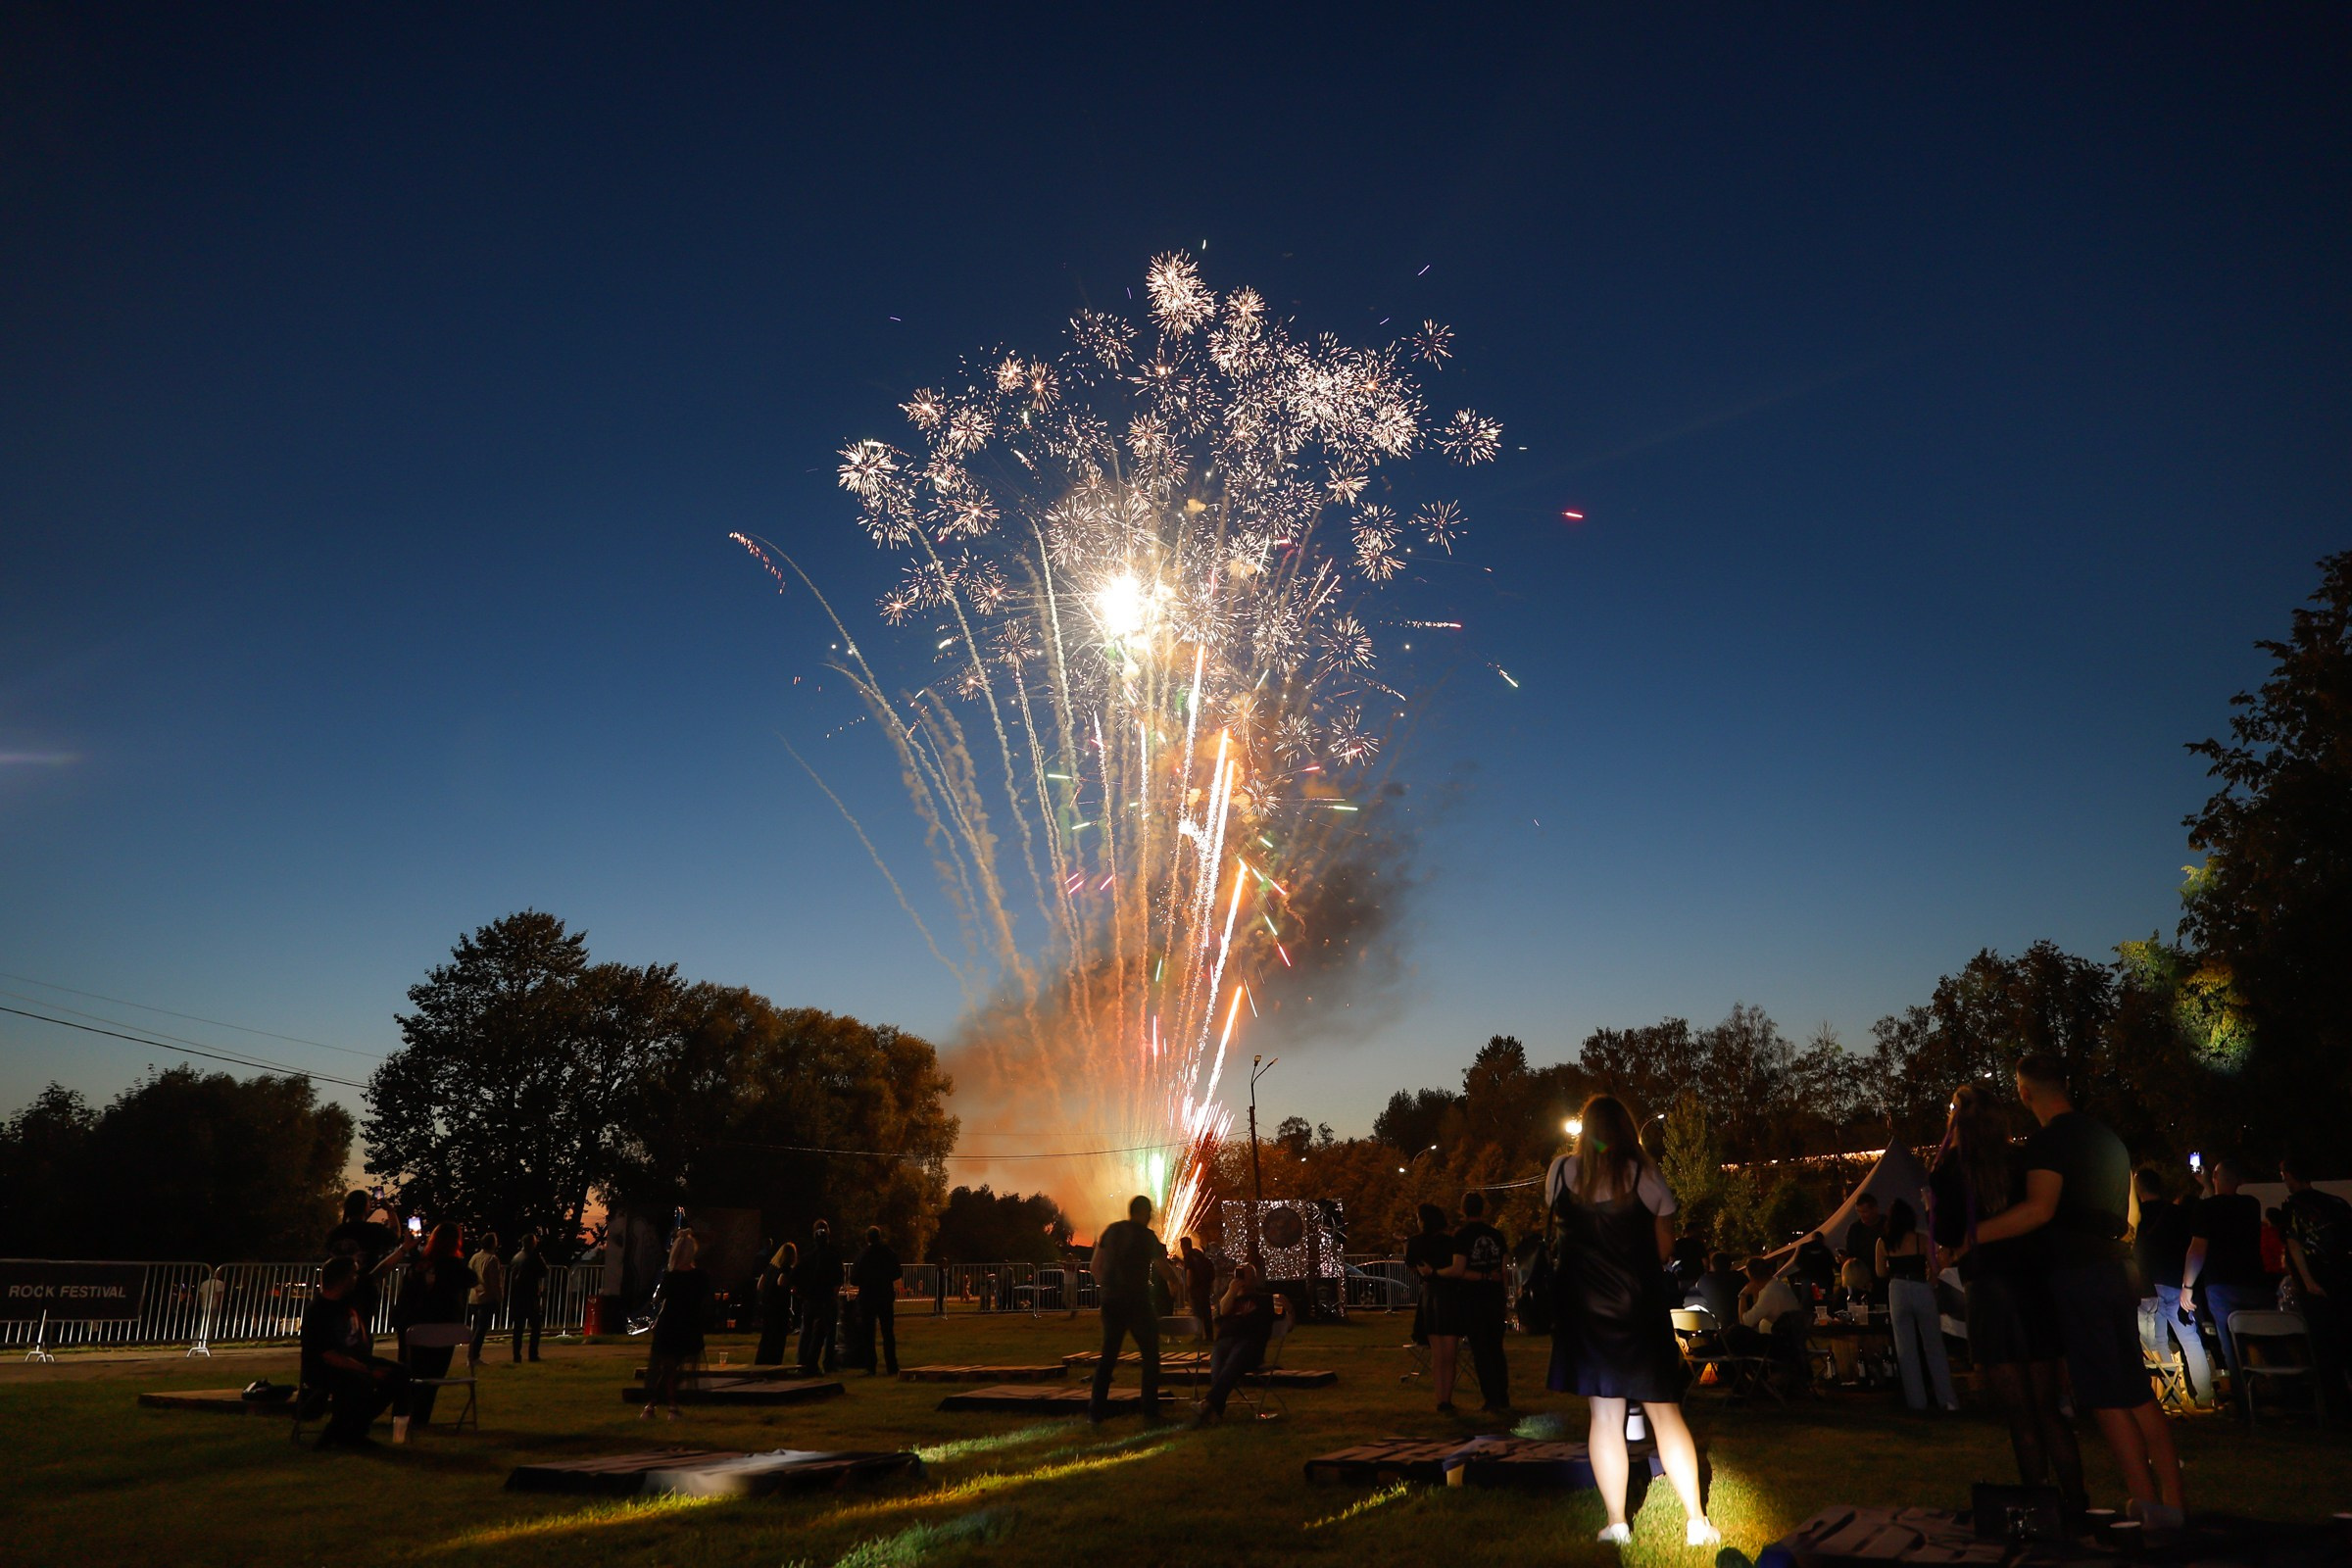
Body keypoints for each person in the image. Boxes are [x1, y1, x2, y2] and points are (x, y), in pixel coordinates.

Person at [1970, 1055, 2181, 1528]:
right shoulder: (2107, 1138)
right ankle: (2165, 1502)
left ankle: (2152, 1504)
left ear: (2024, 1093)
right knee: (2129, 1387)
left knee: (2108, 1394)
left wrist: (1972, 1235)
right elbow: (2133, 1219)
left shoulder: (2048, 1142)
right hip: (2119, 1270)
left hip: (2082, 1277)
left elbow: (2037, 1211)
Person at [1545, 1094, 1719, 1550]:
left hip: (1584, 1310)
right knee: (1665, 1411)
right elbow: (1664, 1251)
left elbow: (1561, 1226)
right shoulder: (1646, 1175)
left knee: (1604, 1415)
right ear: (1628, 1129)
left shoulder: (1561, 1172)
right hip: (1637, 1308)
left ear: (1585, 1129)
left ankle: (1617, 1522)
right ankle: (1697, 1522)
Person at [1931, 1083, 2084, 1510]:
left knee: (2020, 1415)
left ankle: (2040, 1505)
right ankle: (2076, 1503)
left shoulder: (1948, 1172)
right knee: (2048, 1408)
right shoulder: (2023, 1161)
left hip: (1989, 1293)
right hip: (2033, 1288)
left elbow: (1946, 1235)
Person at [1087, 1194, 1183, 1425]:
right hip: (1137, 1301)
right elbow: (1162, 1267)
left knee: (1108, 1355)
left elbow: (1094, 1266)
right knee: (1150, 1354)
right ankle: (1149, 1411)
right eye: (1149, 1213)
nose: (1150, 1218)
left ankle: (1095, 1412)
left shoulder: (1110, 1231)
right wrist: (1174, 1281)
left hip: (1111, 1301)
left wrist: (1108, 1288)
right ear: (1144, 1212)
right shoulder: (1147, 1237)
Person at [301, 1255, 411, 1448]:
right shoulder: (318, 1311)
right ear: (343, 1279)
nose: (356, 1278)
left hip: (355, 1359)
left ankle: (351, 1429)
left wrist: (403, 1250)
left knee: (400, 1374)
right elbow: (329, 1355)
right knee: (357, 1383)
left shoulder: (348, 1298)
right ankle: (342, 1432)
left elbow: (377, 1275)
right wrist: (368, 1370)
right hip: (325, 1367)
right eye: (353, 1274)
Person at [2181, 1156, 2267, 1389]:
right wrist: (2209, 1186)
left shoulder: (2205, 1208)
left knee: (2230, 1343)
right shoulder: (2251, 1204)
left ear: (2216, 1177)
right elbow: (2224, 1206)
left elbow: (2197, 1248)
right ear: (2239, 1181)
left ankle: (2243, 1398)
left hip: (2221, 1283)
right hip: (2254, 1281)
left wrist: (2187, 1287)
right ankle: (2270, 1392)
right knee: (2259, 1339)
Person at [2277, 1154, 2352, 1415]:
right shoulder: (2337, 1204)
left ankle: (2334, 1407)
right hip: (2342, 1281)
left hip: (2315, 1284)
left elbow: (2294, 1244)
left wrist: (2306, 1281)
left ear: (2290, 1175)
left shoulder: (2293, 1206)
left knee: (2324, 1347)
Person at [2132, 1166, 2213, 1408]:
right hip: (2178, 1284)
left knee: (2157, 1342)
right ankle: (2205, 1396)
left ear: (2139, 1189)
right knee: (2191, 1341)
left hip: (2149, 1287)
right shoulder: (2177, 1213)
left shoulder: (2137, 1216)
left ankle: (2173, 1395)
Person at [1877, 1199, 1957, 1412]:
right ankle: (1947, 1400)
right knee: (1934, 1345)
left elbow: (1880, 1273)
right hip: (1920, 1286)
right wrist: (1931, 1281)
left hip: (1897, 1288)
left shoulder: (1883, 1242)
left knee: (1906, 1348)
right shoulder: (1921, 1239)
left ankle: (1916, 1401)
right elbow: (1935, 1267)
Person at [390, 1222, 471, 1425]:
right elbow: (472, 1279)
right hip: (445, 1327)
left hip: (412, 1325)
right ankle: (421, 1416)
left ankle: (401, 1415)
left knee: (408, 1372)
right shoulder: (455, 1268)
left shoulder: (419, 1265)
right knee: (434, 1374)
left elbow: (406, 1296)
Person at [1444, 1191, 1512, 1413]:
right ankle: (1503, 1396)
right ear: (1483, 1209)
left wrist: (1479, 1276)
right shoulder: (1497, 1235)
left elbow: (1460, 1269)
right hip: (1494, 1299)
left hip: (1473, 1300)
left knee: (1481, 1351)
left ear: (1463, 1210)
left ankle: (1491, 1399)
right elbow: (1503, 1271)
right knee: (1496, 1349)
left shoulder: (1462, 1236)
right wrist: (1505, 1299)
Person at [1195, 1261, 1279, 1422]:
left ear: (1254, 1279)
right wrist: (1232, 1291)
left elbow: (1284, 1323)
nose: (1240, 1277)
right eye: (1238, 1274)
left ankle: (1209, 1403)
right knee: (1219, 1360)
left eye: (1244, 1274)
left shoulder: (1264, 1300)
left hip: (1249, 1344)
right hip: (1225, 1341)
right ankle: (1214, 1410)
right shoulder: (1229, 1299)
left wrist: (1288, 1309)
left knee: (1234, 1358)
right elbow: (1222, 1311)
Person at [642, 1230, 708, 1420]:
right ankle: (667, 1406)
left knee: (667, 1368)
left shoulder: (671, 1277)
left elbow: (662, 1299)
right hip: (687, 1325)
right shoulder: (699, 1277)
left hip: (670, 1324)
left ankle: (655, 1406)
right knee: (672, 1368)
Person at [321, 1190, 400, 1345]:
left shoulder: (336, 1233)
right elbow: (395, 1234)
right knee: (362, 1329)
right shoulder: (373, 1231)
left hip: (336, 1288)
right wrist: (389, 1210)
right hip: (364, 1287)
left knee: (337, 1330)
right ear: (366, 1207)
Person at [1404, 1203, 1456, 1396]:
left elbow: (1412, 1266)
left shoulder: (1416, 1242)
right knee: (1450, 1353)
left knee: (1437, 1352)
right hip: (1450, 1296)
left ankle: (1441, 1398)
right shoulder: (1450, 1243)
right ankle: (1448, 1396)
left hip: (1430, 1296)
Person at [850, 1226, 903, 1375]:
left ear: (867, 1239)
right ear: (879, 1237)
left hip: (867, 1297)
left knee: (868, 1333)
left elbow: (854, 1278)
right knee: (888, 1332)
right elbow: (897, 1272)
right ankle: (892, 1366)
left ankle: (870, 1366)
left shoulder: (863, 1255)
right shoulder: (888, 1252)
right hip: (884, 1295)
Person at [795, 1221, 842, 1375]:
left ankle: (802, 1362)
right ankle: (825, 1363)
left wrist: (802, 1293)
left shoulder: (807, 1256)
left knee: (806, 1331)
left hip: (810, 1299)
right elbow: (838, 1281)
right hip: (826, 1299)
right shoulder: (833, 1256)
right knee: (826, 1333)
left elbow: (796, 1277)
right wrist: (832, 1296)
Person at [508, 1234, 547, 1362]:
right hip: (530, 1295)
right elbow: (544, 1271)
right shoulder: (534, 1256)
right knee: (536, 1326)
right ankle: (533, 1354)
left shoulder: (516, 1257)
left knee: (518, 1328)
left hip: (517, 1295)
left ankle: (516, 1355)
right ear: (532, 1243)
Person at [756, 1243, 797, 1366]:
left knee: (766, 1336)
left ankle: (760, 1362)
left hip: (767, 1306)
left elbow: (760, 1285)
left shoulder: (770, 1267)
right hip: (779, 1308)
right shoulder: (785, 1269)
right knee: (777, 1338)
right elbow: (781, 1281)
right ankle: (774, 1363)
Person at [466, 1231, 504, 1365]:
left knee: (476, 1327)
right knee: (481, 1329)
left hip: (474, 1297)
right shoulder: (492, 1259)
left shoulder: (475, 1257)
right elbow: (494, 1282)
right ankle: (473, 1356)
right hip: (486, 1297)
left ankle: (471, 1355)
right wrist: (499, 1298)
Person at [1684, 1250, 1741, 1330]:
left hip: (1720, 1329)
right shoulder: (1739, 1277)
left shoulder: (1704, 1281)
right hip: (1742, 1323)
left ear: (1712, 1266)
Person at [1178, 1235, 1215, 1341]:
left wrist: (1189, 1288)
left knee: (1197, 1314)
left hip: (1196, 1289)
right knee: (1206, 1313)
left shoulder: (1188, 1257)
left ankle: (1198, 1337)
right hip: (1205, 1288)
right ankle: (1209, 1336)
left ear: (1183, 1246)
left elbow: (1189, 1273)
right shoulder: (1199, 1255)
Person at [1843, 1194, 1886, 1268]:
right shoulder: (1854, 1229)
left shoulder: (1887, 1225)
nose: (1861, 1215)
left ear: (1875, 1209)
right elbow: (1850, 1253)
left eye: (1864, 1212)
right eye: (1859, 1211)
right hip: (1864, 1274)